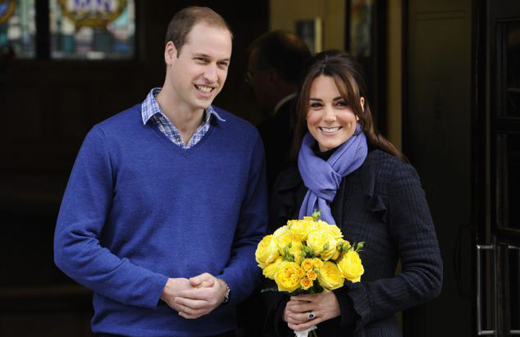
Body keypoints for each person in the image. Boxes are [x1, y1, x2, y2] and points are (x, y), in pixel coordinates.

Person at [54, 7, 267, 337]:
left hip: (215, 331)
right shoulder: (108, 140)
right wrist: (160, 288)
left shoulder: (244, 142)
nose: (212, 76)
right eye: (201, 60)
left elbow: (257, 241)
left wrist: (226, 287)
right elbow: (71, 246)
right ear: (171, 52)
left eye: (222, 64)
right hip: (127, 331)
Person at [264, 50, 443, 337]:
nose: (329, 116)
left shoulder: (392, 176)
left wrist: (342, 303)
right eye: (317, 105)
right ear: (303, 111)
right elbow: (266, 272)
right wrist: (283, 308)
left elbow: (428, 276)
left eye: (341, 103)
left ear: (360, 106)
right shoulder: (289, 181)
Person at [246, 30, 311, 192]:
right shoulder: (322, 122)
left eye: (252, 75)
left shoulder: (266, 135)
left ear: (271, 78)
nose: (252, 84)